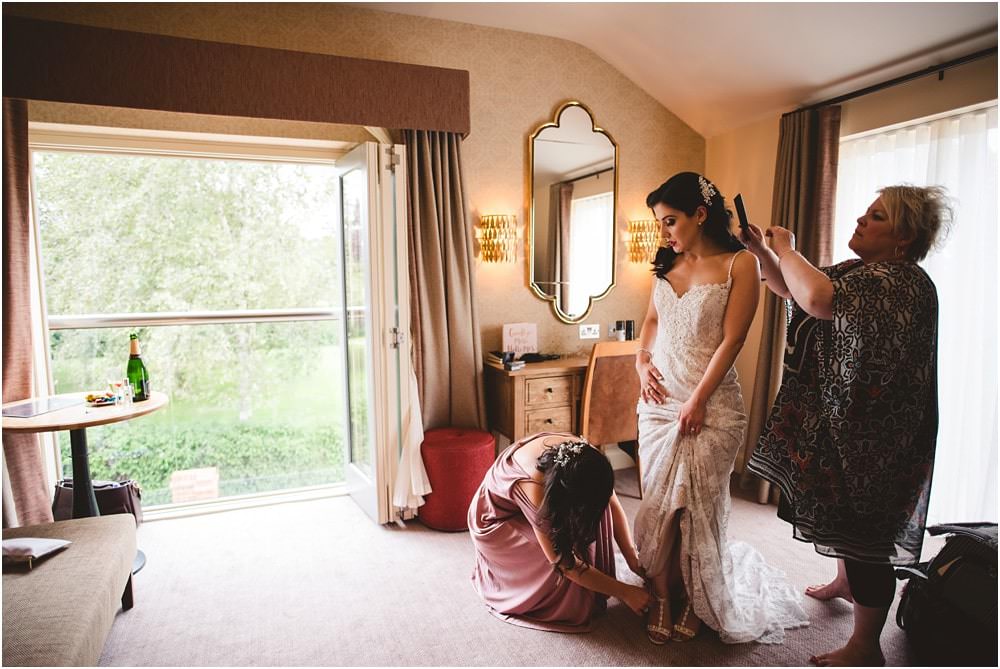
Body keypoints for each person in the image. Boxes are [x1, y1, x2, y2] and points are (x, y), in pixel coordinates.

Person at [744, 185, 950, 666]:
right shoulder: (861, 272)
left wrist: (787, 248)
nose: (861, 220)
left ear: (903, 238)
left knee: (868, 537)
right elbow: (792, 289)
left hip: (881, 438)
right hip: (850, 422)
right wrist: (761, 252)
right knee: (843, 514)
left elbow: (817, 298)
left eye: (876, 217)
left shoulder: (900, 280)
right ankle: (844, 582)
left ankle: (865, 647)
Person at [633, 172, 808, 645]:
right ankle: (662, 592)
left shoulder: (740, 264)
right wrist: (641, 361)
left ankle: (697, 597)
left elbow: (734, 340)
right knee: (659, 505)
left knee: (700, 508)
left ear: (700, 214)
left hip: (711, 407)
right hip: (658, 404)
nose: (664, 231)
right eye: (660, 222)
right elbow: (650, 321)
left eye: (670, 220)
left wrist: (697, 400)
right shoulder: (667, 264)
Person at [468, 432, 650, 632]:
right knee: (562, 545)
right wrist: (624, 592)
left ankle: (596, 582)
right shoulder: (535, 490)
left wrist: (631, 557)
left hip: (535, 501)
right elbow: (565, 563)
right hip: (496, 522)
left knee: (596, 509)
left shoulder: (587, 457)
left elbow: (611, 505)